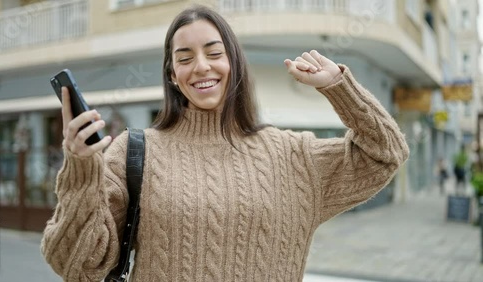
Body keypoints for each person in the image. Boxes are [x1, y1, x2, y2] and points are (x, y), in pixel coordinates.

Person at [40, 5, 409, 282]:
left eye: (214, 53)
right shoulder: (134, 152)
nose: (201, 67)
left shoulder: (293, 155)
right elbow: (78, 263)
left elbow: (385, 153)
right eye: (185, 59)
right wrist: (81, 167)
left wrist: (339, 87)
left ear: (234, 61)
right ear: (172, 74)